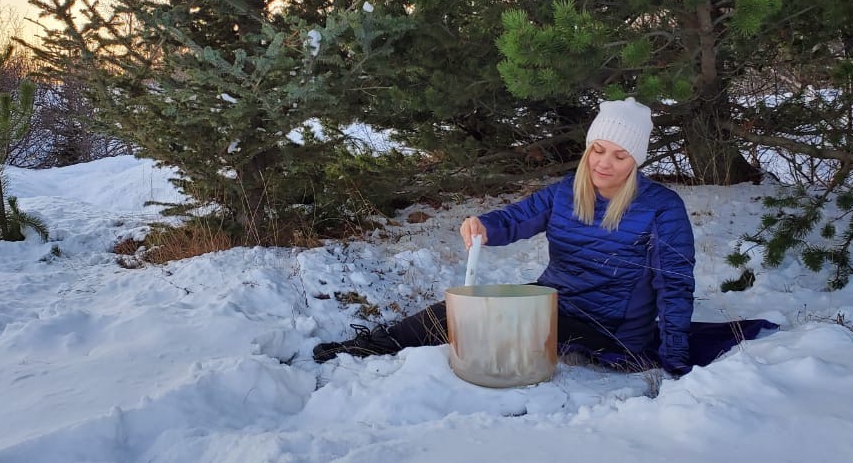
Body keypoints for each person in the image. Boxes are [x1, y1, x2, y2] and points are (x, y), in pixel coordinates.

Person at [313, 97, 775, 375]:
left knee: (490, 334)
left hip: (610, 326)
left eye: (619, 155)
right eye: (597, 149)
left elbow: (675, 287)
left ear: (636, 160)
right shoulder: (564, 193)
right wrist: (484, 227)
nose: (603, 163)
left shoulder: (662, 208)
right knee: (458, 312)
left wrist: (675, 358)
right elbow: (516, 218)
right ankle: (369, 345)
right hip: (554, 300)